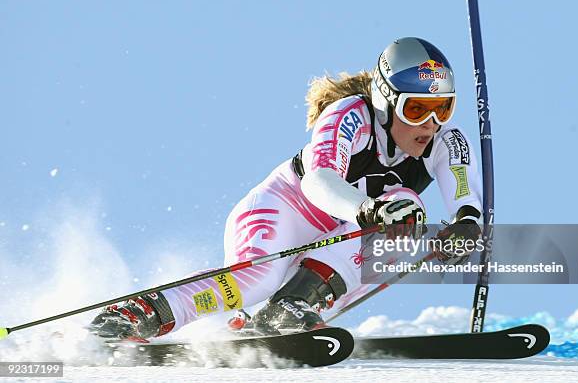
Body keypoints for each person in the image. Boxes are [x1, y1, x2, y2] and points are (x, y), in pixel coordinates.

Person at [89, 37, 483, 340]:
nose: (430, 122)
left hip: (337, 246)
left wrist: (467, 225)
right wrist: (370, 210)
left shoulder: (447, 142)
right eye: (415, 109)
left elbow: (463, 191)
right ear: (384, 101)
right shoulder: (349, 116)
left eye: (442, 108)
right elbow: (320, 181)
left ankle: (285, 311)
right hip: (285, 212)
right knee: (256, 280)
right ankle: (143, 311)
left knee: (406, 215)